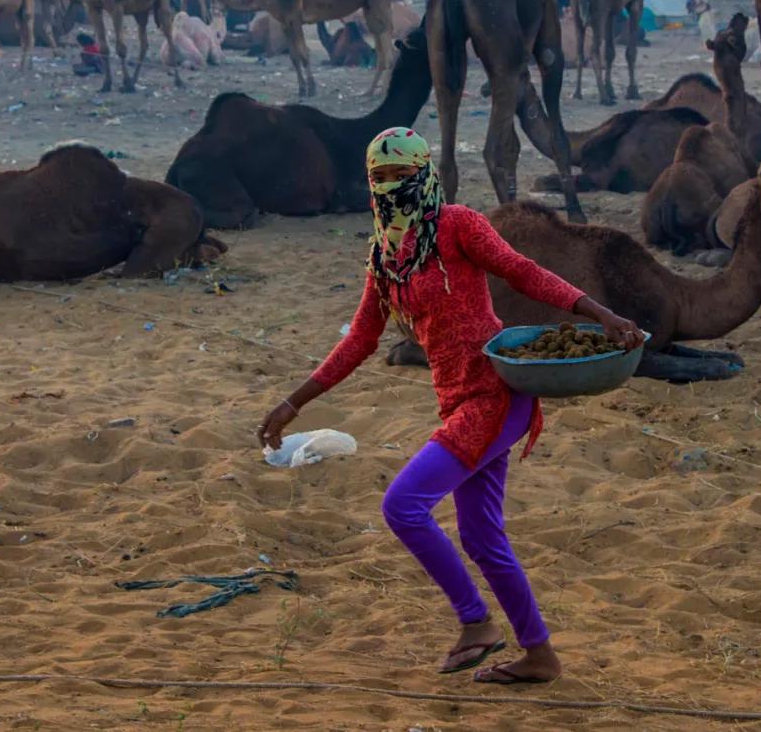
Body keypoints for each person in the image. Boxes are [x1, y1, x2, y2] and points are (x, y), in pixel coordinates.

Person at [257, 128, 643, 685]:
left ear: (426, 175)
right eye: (381, 177)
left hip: (493, 396)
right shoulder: (386, 257)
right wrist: (293, 402)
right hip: (458, 402)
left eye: (403, 175)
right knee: (483, 540)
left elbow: (522, 271)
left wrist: (599, 313)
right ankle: (540, 656)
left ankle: (476, 622)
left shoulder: (457, 225)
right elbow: (360, 340)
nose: (393, 186)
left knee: (402, 506)